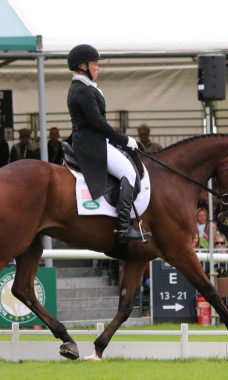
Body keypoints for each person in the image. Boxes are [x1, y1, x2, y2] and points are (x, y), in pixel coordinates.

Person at [66, 44, 148, 242]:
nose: (98, 68)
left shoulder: (84, 87)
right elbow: (97, 123)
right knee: (128, 172)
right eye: (95, 64)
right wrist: (125, 140)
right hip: (91, 143)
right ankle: (123, 227)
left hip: (93, 140)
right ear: (83, 66)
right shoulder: (82, 90)